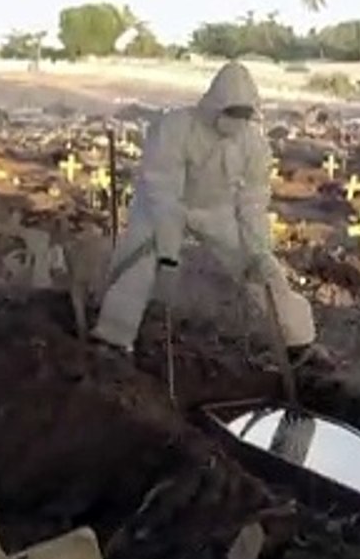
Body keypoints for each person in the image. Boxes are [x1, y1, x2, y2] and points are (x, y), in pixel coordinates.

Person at [92, 61, 318, 361]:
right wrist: (168, 251)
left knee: (261, 269)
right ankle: (114, 336)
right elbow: (164, 187)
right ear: (216, 105)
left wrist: (259, 249)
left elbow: (252, 201)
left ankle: (297, 340)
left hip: (215, 210)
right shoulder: (176, 127)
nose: (237, 120)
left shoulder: (253, 143)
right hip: (161, 207)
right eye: (232, 112)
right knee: (138, 263)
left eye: (244, 113)